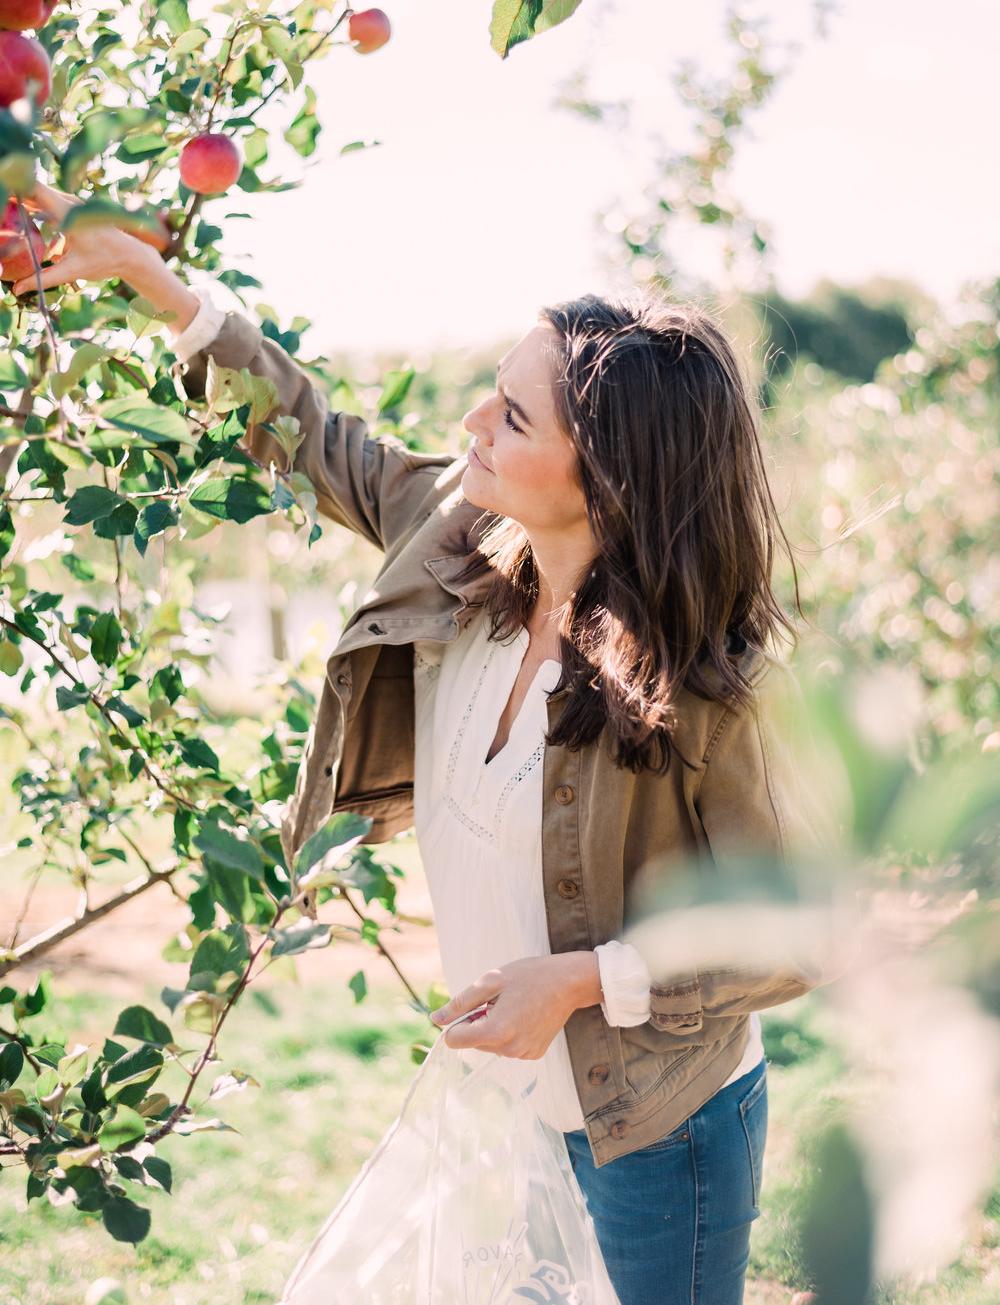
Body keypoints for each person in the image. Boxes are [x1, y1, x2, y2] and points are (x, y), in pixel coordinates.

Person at [18, 186, 835, 1305]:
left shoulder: (713, 691)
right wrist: (154, 284)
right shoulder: (464, 550)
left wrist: (587, 981)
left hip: (656, 1124)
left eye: (509, 416)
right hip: (520, 1097)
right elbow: (321, 442)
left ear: (608, 475)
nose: (469, 431)